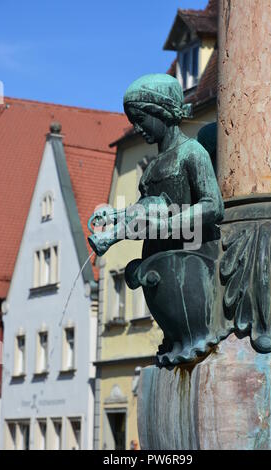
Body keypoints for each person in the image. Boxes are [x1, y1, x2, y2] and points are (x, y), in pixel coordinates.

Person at [88, 74, 226, 365]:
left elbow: (213, 206)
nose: (137, 128)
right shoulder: (151, 168)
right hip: (161, 267)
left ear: (161, 113)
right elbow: (143, 208)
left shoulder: (192, 152)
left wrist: (167, 225)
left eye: (141, 118)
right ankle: (110, 237)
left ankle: (110, 240)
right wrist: (116, 215)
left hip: (192, 260)